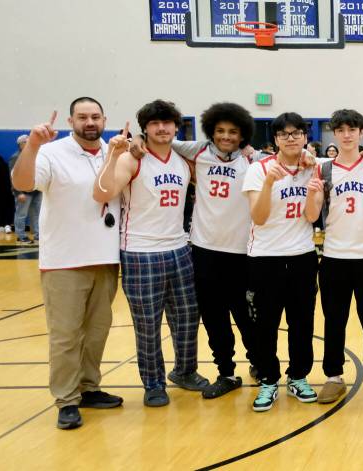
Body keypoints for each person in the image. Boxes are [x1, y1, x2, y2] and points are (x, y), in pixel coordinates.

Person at [134, 103, 260, 398]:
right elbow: (161, 141)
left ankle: (259, 362)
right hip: (204, 252)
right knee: (215, 319)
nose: (226, 136)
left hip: (243, 252)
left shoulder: (253, 160)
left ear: (243, 134)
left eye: (233, 132)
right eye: (220, 131)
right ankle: (226, 373)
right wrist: (137, 139)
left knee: (247, 318)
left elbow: (292, 159)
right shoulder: (198, 151)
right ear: (211, 131)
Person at [11, 99, 123, 429]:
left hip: (106, 258)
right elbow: (22, 183)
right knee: (66, 336)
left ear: (105, 120)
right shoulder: (51, 152)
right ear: (71, 121)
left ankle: (88, 388)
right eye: (82, 117)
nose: (90, 122)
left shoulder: (114, 152)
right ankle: (67, 399)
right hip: (64, 261)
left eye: (95, 117)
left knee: (97, 333)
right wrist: (33, 145)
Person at [93, 99, 209, 406]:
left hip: (180, 249)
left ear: (176, 127)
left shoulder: (183, 161)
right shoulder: (132, 159)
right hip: (140, 252)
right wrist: (114, 155)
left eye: (167, 122)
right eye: (154, 123)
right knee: (148, 325)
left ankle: (185, 371)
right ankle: (153, 383)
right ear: (145, 128)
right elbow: (102, 193)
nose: (161, 128)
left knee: (187, 318)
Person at [307, 109, 363, 402]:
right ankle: (334, 376)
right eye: (341, 130)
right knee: (334, 320)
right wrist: (313, 194)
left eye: (352, 130)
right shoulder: (324, 169)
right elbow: (312, 215)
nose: (346, 135)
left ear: (361, 133)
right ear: (334, 133)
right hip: (334, 257)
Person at [243, 112, 320, 412]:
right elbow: (259, 217)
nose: (291, 138)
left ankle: (298, 376)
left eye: (296, 133)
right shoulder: (258, 169)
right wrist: (269, 184)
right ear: (275, 139)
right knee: (265, 325)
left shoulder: (312, 168)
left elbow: (312, 216)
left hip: (302, 257)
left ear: (304, 137)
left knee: (302, 323)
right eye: (284, 134)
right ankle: (268, 380)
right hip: (265, 258)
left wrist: (313, 191)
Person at [10, 134, 42, 243]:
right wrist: (18, 192)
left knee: (36, 214)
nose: (29, 143)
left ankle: (38, 234)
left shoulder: (34, 155)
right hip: (23, 192)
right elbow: (12, 176)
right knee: (21, 214)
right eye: (26, 142)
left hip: (36, 190)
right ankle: (21, 235)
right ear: (21, 144)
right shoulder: (16, 157)